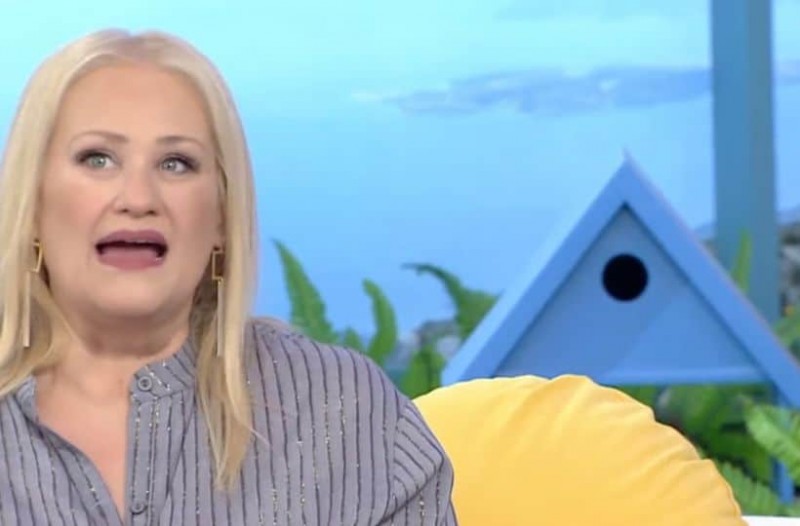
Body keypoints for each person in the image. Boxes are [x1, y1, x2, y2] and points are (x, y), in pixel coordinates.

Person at [0, 29, 457, 525]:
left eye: (176, 163)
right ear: (33, 204)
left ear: (221, 216)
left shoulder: (345, 411)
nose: (137, 197)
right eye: (98, 158)